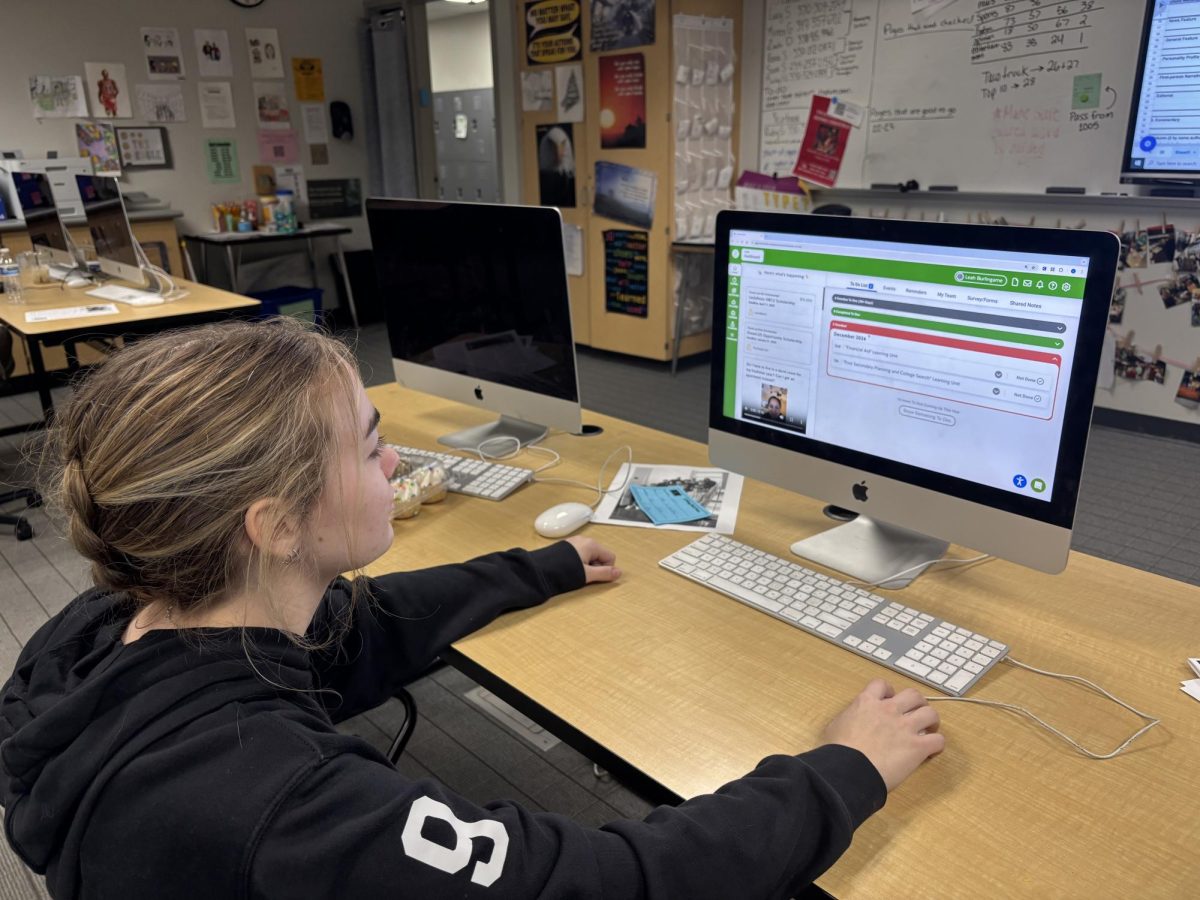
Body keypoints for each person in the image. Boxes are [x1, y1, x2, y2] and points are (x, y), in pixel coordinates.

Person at [0, 318, 944, 898]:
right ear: (277, 525)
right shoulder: (291, 807)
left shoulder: (110, 629)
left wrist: (544, 568)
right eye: (371, 449)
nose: (396, 464)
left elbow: (359, 627)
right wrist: (843, 770)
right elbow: (615, 883)